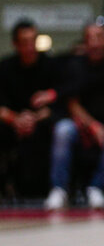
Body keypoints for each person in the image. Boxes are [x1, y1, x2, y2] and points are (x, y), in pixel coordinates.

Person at [44, 23, 104, 211]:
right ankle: (59, 189)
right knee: (62, 130)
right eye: (90, 38)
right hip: (80, 122)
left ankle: (97, 187)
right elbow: (71, 102)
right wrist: (91, 125)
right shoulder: (75, 64)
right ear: (85, 42)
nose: (95, 43)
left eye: (99, 37)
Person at [0, 20, 59, 199]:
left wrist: (34, 118)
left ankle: (43, 191)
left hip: (41, 122)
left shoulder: (49, 65)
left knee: (52, 130)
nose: (30, 47)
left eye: (33, 41)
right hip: (10, 122)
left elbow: (58, 101)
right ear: (15, 44)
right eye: (24, 42)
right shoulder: (5, 68)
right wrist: (16, 119)